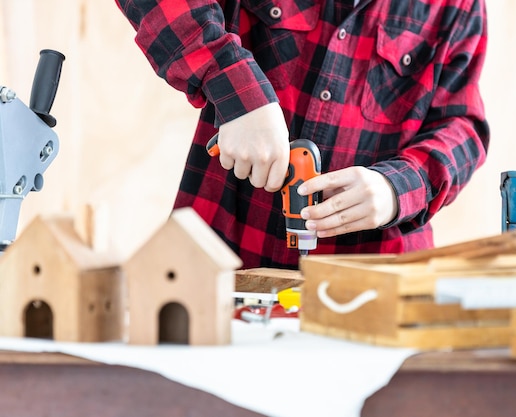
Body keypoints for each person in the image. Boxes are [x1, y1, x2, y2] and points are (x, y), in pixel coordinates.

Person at [114, 0, 490, 269]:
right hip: (219, 255)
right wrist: (236, 89)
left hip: (369, 282)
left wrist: (398, 189)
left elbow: (462, 128)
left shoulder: (456, 7)